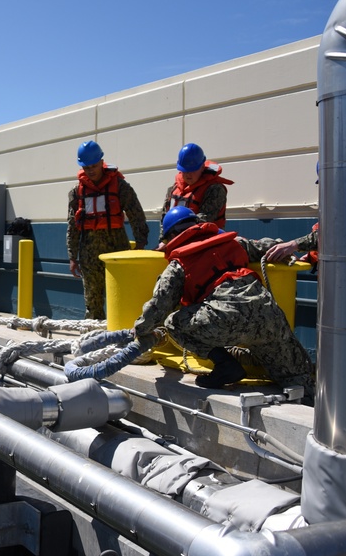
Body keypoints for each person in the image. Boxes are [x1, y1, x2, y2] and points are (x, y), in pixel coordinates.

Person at [132, 206, 316, 396]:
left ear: (171, 237)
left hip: (225, 321)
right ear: (198, 225)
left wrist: (139, 330)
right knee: (297, 380)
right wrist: (285, 251)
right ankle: (312, 403)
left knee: (173, 322)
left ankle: (225, 365)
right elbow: (265, 246)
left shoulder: (178, 265)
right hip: (268, 318)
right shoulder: (234, 242)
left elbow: (159, 306)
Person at [66, 140, 149, 320]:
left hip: (117, 247)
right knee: (92, 298)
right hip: (89, 251)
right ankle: (93, 335)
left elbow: (136, 213)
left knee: (120, 293)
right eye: (86, 167)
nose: (91, 170)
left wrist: (141, 241)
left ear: (102, 162)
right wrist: (72, 256)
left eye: (94, 166)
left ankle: (121, 331)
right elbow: (73, 225)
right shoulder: (77, 192)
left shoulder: (119, 186)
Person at [159, 143, 233, 241]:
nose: (188, 174)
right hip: (175, 242)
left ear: (202, 167)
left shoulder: (215, 189)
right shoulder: (173, 189)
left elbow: (205, 220)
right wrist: (163, 240)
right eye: (185, 170)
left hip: (205, 243)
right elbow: (165, 216)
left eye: (192, 170)